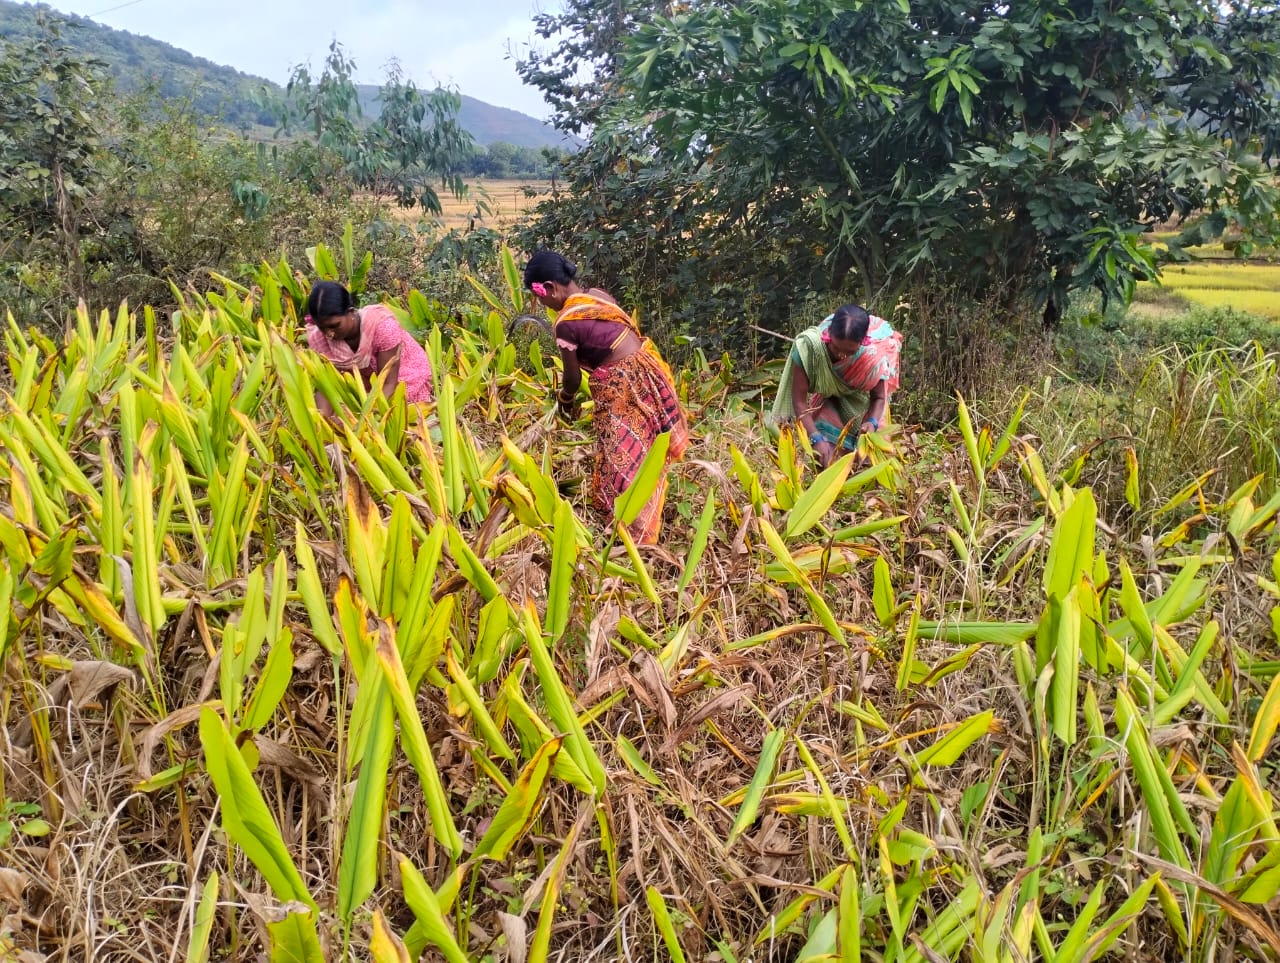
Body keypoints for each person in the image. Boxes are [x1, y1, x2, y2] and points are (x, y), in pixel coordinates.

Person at [524, 250, 689, 544]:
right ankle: (636, 523)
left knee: (623, 459)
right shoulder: (598, 296)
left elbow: (573, 378)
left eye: (540, 296)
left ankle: (634, 535)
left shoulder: (566, 322)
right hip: (645, 369)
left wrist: (564, 401)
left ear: (549, 287)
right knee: (646, 449)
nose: (542, 304)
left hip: (621, 384)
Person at [770, 303, 902, 467]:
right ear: (828, 334)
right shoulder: (810, 348)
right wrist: (816, 438)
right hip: (829, 399)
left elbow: (879, 397)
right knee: (824, 453)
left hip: (862, 403)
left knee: (869, 461)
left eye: (850, 352)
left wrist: (873, 422)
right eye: (835, 348)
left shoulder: (872, 358)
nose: (841, 355)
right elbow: (799, 401)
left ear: (863, 342)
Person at [303, 281, 434, 414]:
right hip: (363, 387)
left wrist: (365, 420)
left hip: (401, 380)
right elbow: (325, 385)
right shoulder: (319, 338)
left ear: (351, 312)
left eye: (335, 325)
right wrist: (323, 422)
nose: (328, 334)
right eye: (322, 328)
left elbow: (389, 383)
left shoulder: (382, 327)